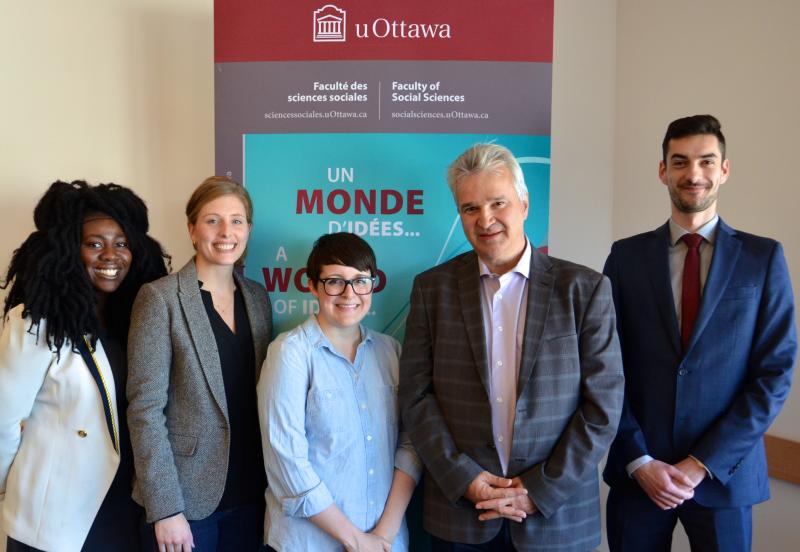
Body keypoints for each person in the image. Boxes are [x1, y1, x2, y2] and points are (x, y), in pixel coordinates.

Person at [399, 143, 625, 551]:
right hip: (462, 518)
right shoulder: (432, 290)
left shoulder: (585, 289)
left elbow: (603, 407)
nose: (485, 219)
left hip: (556, 520)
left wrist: (538, 489)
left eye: (497, 202)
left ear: (524, 202)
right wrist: (463, 478)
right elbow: (416, 396)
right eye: (470, 208)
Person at [603, 114, 797, 551]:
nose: (694, 174)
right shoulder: (625, 257)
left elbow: (775, 372)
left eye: (707, 162)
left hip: (725, 478)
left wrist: (701, 463)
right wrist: (639, 459)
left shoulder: (762, 259)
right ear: (662, 170)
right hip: (640, 477)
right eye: (680, 161)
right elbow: (604, 367)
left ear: (724, 170)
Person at [0, 180, 170, 552]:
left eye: (121, 243)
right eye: (95, 243)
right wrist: (10, 490)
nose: (111, 255)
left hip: (125, 505)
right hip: (54, 515)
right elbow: (3, 422)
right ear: (66, 251)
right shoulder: (35, 323)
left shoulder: (136, 323)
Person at [127, 176, 272, 552]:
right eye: (213, 220)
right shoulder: (160, 299)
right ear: (192, 230)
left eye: (237, 220)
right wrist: (166, 509)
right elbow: (144, 410)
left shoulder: (257, 298)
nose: (226, 232)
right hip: (186, 504)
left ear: (248, 230)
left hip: (250, 495)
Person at [258, 232, 421, 552]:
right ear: (312, 285)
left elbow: (412, 443)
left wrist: (383, 535)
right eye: (335, 281)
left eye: (361, 281)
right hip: (310, 543)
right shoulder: (290, 353)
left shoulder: (391, 352)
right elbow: (286, 463)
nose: (349, 293)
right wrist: (356, 540)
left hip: (385, 542)